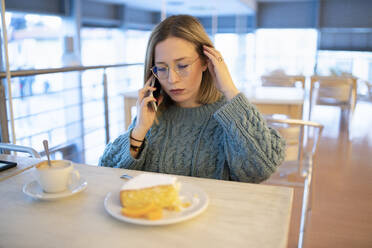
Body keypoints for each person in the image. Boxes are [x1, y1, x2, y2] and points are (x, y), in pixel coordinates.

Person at [99, 15, 285, 183]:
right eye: (162, 68)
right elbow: (106, 174)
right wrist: (139, 130)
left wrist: (229, 88)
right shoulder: (152, 114)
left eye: (182, 65)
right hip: (155, 217)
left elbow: (260, 170)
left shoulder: (231, 116)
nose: (172, 79)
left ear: (206, 61)